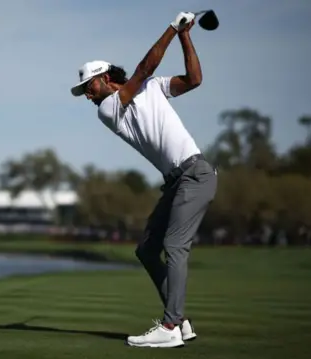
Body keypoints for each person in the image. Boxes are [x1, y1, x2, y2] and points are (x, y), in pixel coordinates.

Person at [70, 12, 218, 348]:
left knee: (174, 246)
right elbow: (144, 70)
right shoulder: (109, 109)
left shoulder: (152, 87)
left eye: (89, 87)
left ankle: (169, 327)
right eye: (84, 92)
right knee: (148, 250)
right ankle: (179, 322)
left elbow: (193, 80)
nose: (89, 96)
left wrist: (182, 34)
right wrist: (172, 27)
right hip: (177, 182)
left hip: (195, 174)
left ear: (106, 77)